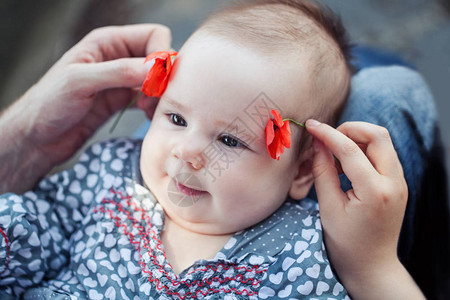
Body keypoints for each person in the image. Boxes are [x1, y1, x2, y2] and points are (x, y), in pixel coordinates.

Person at [0, 0, 426, 299]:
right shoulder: (109, 174)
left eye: (229, 140)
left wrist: (374, 268)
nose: (186, 152)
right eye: (175, 118)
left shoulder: (305, 251)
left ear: (302, 173)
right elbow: (30, 229)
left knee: (388, 91)